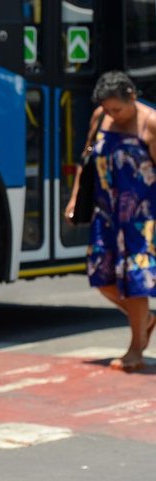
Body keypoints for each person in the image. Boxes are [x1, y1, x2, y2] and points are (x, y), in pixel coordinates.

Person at [65, 70, 156, 371]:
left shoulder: (150, 123)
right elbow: (86, 159)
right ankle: (145, 320)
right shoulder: (99, 118)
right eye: (106, 109)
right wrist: (75, 198)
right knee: (101, 278)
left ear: (132, 96)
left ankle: (135, 350)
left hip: (141, 218)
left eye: (116, 109)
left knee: (135, 283)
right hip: (106, 214)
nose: (111, 115)